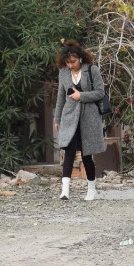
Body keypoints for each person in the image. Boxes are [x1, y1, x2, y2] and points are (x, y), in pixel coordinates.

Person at [52, 41, 110, 201]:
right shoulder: (63, 73)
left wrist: (81, 96)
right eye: (67, 62)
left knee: (86, 155)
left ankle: (91, 189)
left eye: (73, 62)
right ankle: (65, 190)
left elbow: (100, 92)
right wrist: (57, 118)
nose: (70, 65)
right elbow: (60, 97)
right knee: (69, 151)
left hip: (89, 117)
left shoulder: (92, 70)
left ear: (81, 59)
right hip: (69, 116)